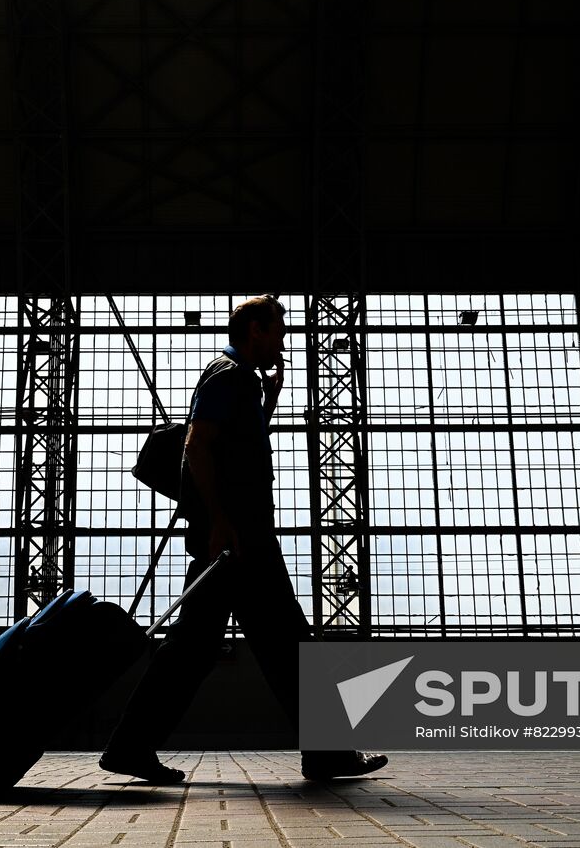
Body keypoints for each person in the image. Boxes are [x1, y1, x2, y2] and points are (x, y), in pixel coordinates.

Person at [99, 295, 388, 784]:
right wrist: (218, 522)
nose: (283, 339)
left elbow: (234, 449)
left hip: (239, 536)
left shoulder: (244, 383)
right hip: (238, 538)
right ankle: (328, 752)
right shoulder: (226, 375)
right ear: (255, 330)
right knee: (287, 643)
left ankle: (130, 746)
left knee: (199, 647)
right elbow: (197, 445)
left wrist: (268, 399)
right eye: (278, 330)